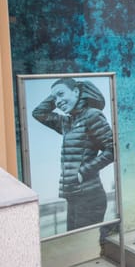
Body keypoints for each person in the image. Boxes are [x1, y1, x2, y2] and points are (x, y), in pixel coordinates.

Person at [32, 77, 114, 232]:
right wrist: (58, 95)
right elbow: (38, 113)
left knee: (83, 245)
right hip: (74, 196)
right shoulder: (67, 122)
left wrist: (82, 172)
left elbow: (112, 150)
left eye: (61, 94)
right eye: (55, 98)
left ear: (76, 92)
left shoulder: (92, 115)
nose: (57, 101)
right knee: (75, 242)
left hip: (90, 196)